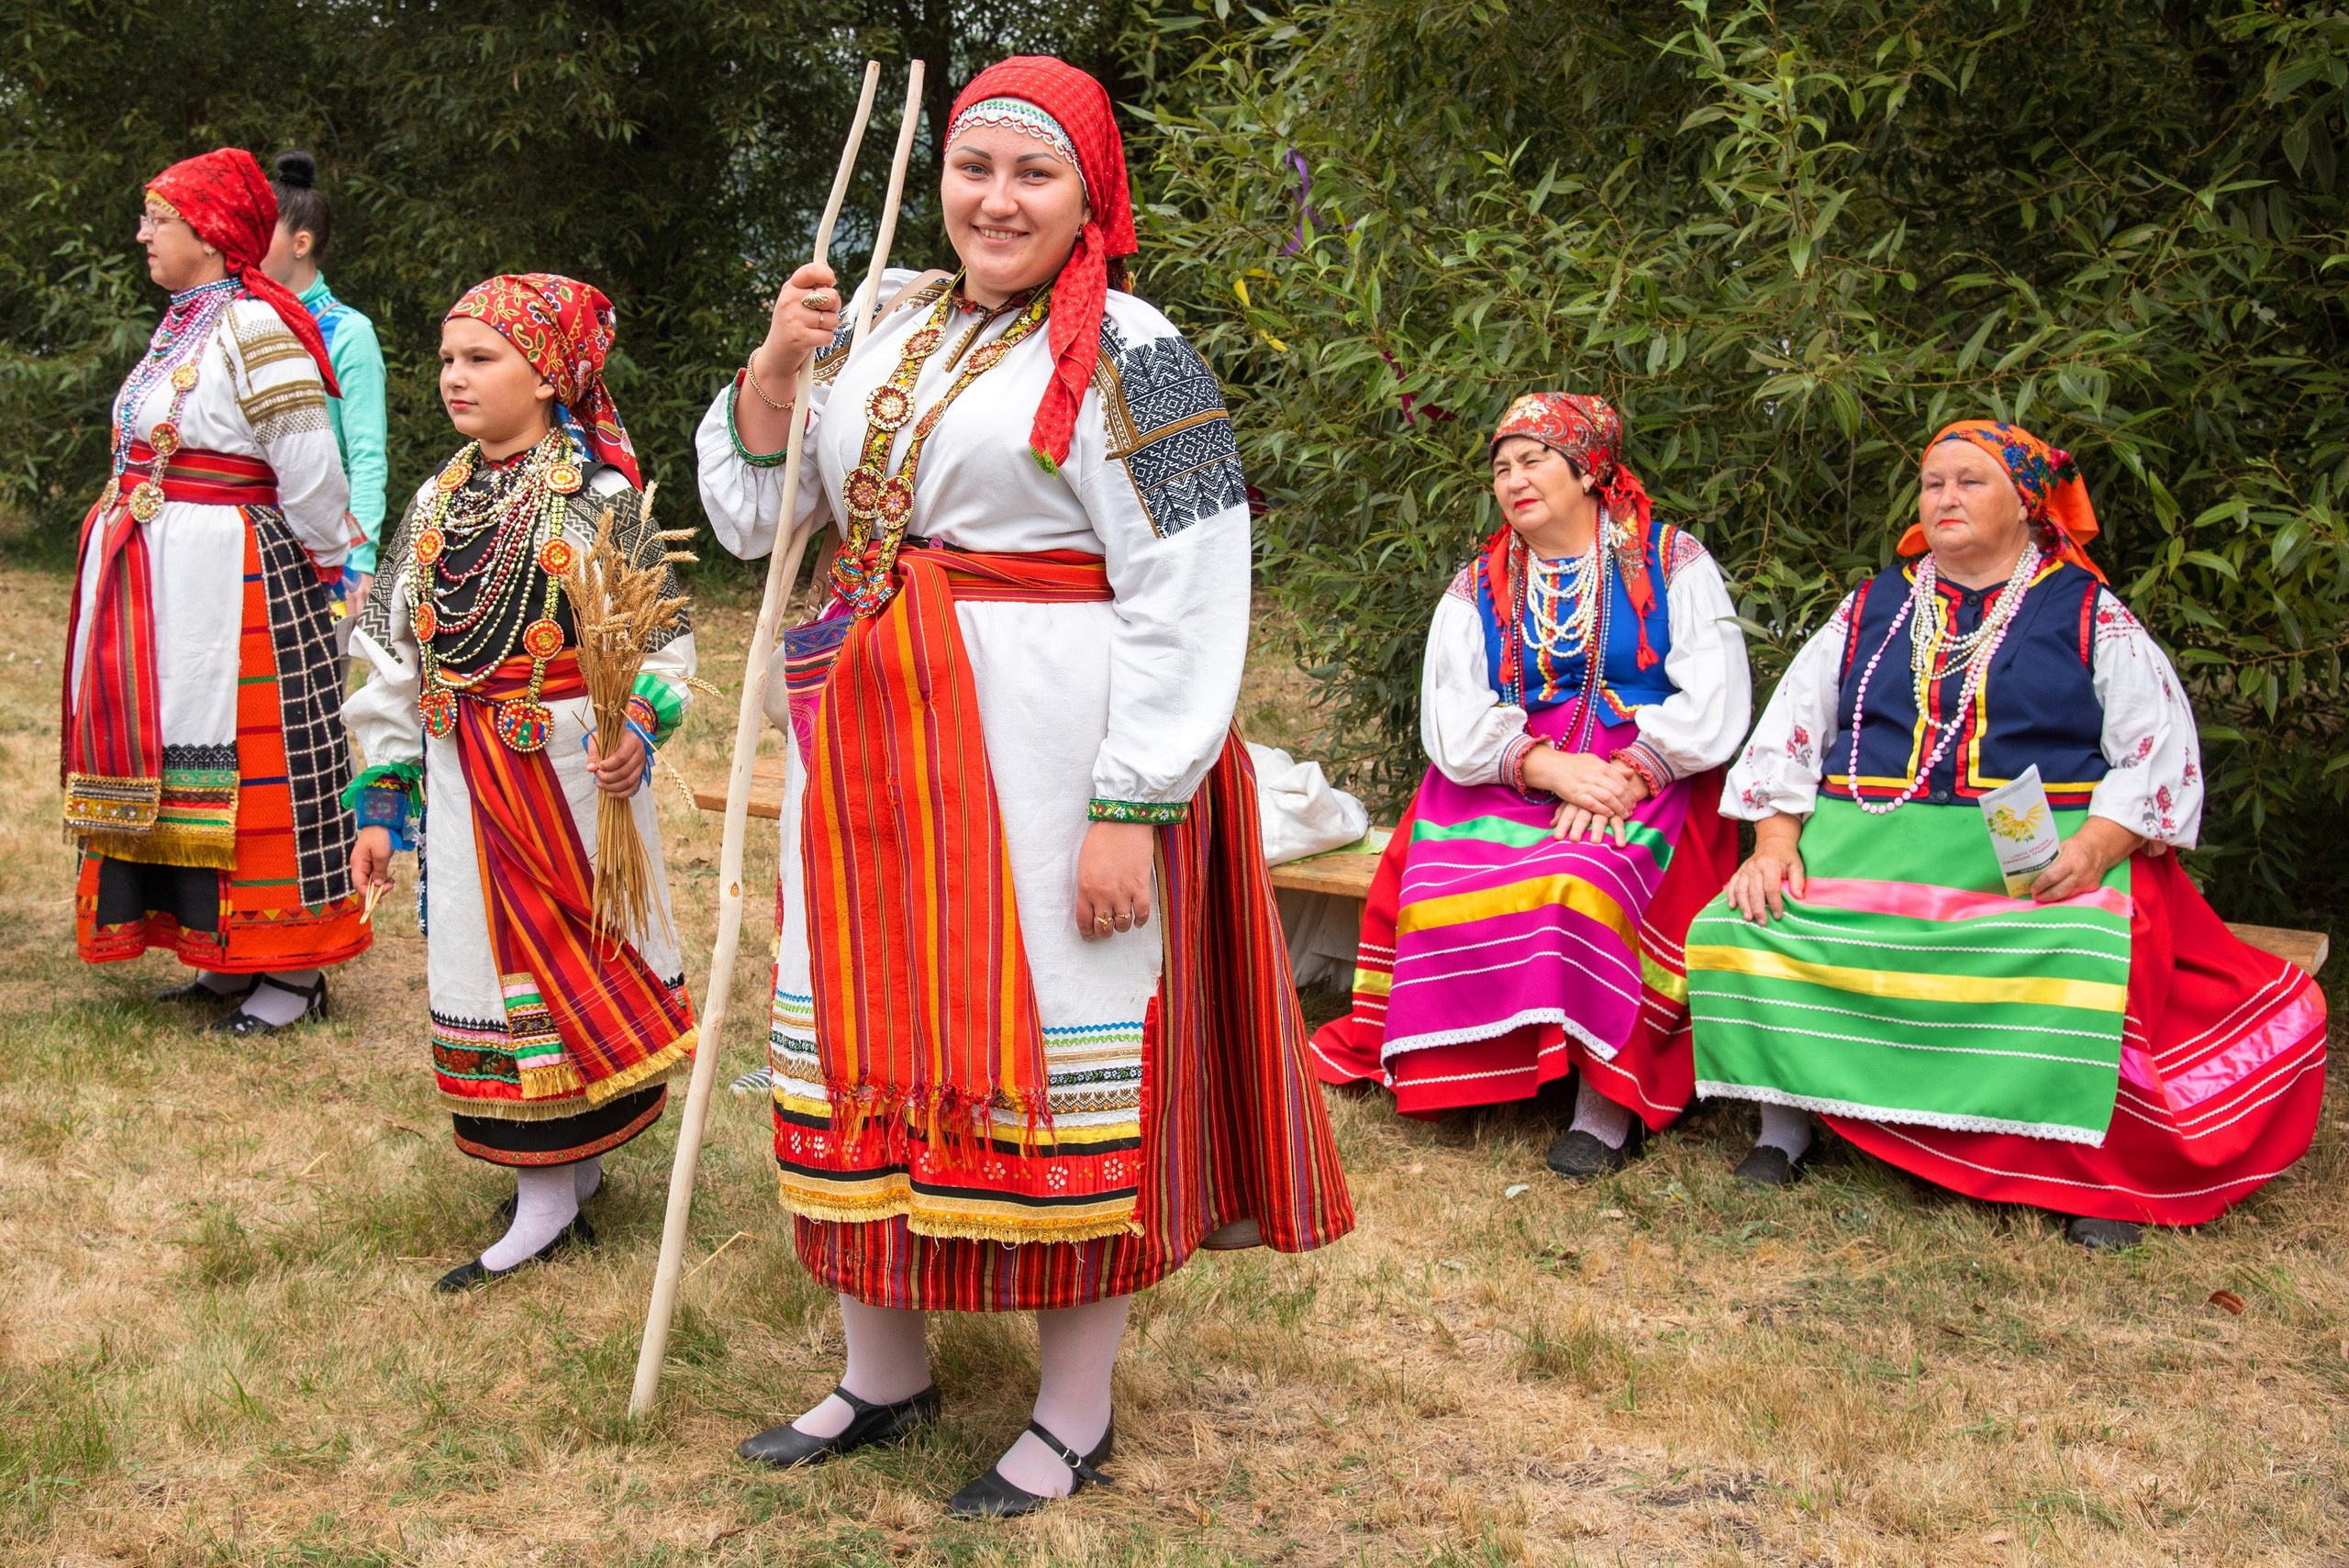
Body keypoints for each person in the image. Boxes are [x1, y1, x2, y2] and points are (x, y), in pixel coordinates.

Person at [696, 56, 1353, 1517]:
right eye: (974, 168)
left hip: (1050, 757)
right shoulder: (877, 314)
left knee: (1056, 1050)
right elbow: (757, 523)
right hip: (869, 743)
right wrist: (772, 371)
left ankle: (1073, 1407)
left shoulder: (1141, 351)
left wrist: (1133, 802)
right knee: (859, 1027)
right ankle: (884, 1367)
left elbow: (1194, 587)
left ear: (1088, 196)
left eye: (1032, 174)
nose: (995, 200)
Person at [1688, 421, 2327, 1248]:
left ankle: (2079, 1168)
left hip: (2036, 856)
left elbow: (2156, 747)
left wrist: (2095, 848)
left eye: (1969, 481)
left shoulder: (2086, 608)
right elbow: (1789, 732)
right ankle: (1790, 1127)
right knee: (1750, 920)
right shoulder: (1874, 606)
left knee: (2077, 945)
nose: (1945, 497)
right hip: (1863, 842)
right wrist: (1775, 844)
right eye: (1933, 482)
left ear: (2027, 503)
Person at [344, 274, 697, 1290]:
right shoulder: (435, 498)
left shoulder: (604, 499)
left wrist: (636, 726)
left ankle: (556, 1185)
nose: (455, 376)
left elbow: (665, 646)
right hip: (464, 778)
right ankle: (553, 1182)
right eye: (448, 358)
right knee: (482, 959)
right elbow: (390, 658)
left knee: (567, 957)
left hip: (569, 779)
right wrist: (383, 796)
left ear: (548, 376)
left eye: (481, 357)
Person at [1309, 394, 1751, 1177]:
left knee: (1585, 878)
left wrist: (1625, 773)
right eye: (1501, 467)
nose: (1513, 479)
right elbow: (1452, 714)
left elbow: (1714, 695)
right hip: (1513, 766)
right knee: (1443, 877)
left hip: (1649, 773)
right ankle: (1466, 1066)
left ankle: (1605, 1101)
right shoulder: (1479, 582)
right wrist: (1547, 767)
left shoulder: (1671, 560)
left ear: (1588, 471)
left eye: (1533, 459)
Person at [65, 147, 368, 1030]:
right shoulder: (186, 324)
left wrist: (317, 568)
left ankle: (292, 973)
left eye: (158, 219)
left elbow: (312, 468)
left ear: (208, 233)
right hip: (163, 581)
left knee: (258, 760)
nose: (143, 233)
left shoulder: (255, 328)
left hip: (238, 583)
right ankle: (222, 954)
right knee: (178, 758)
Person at [262, 150, 390, 633]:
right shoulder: (242, 320)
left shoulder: (348, 332)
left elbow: (365, 454)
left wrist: (359, 556)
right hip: (246, 539)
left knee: (312, 699)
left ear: (301, 242)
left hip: (323, 551)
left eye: (263, 229)